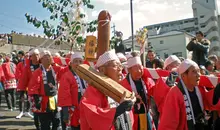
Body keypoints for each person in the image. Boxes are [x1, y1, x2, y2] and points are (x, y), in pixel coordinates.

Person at [80, 50, 136, 130]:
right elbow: (93, 116)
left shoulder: (121, 88)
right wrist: (117, 110)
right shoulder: (93, 90)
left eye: (121, 66)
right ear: (102, 70)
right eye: (115, 65)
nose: (120, 69)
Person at [159, 59, 220, 130]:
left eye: (198, 71)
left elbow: (208, 101)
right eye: (194, 72)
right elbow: (169, 123)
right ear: (183, 76)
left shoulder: (200, 88)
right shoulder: (174, 93)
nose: (199, 75)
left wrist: (217, 91)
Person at [28, 50, 67, 130]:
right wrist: (36, 98)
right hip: (43, 101)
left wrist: (69, 62)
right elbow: (33, 86)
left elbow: (66, 70)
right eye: (46, 57)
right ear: (41, 60)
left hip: (55, 99)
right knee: (45, 124)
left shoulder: (56, 69)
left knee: (57, 122)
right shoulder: (37, 72)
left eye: (49, 56)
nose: (49, 58)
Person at [120, 52, 156, 130]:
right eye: (136, 69)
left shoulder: (147, 80)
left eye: (141, 68)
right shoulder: (123, 84)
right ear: (129, 70)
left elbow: (155, 92)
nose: (139, 71)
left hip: (146, 115)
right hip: (132, 118)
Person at [58, 53, 86, 130]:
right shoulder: (66, 76)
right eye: (75, 61)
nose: (78, 64)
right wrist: (65, 112)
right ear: (71, 63)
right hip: (73, 110)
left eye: (80, 61)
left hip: (85, 109)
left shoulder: (86, 76)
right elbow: (64, 95)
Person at [16, 49, 40, 119]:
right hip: (24, 83)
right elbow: (19, 73)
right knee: (22, 97)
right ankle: (21, 111)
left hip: (35, 87)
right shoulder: (22, 64)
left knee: (30, 100)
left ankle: (27, 111)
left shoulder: (40, 63)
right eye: (26, 56)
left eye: (38, 54)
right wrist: (21, 81)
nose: (26, 57)